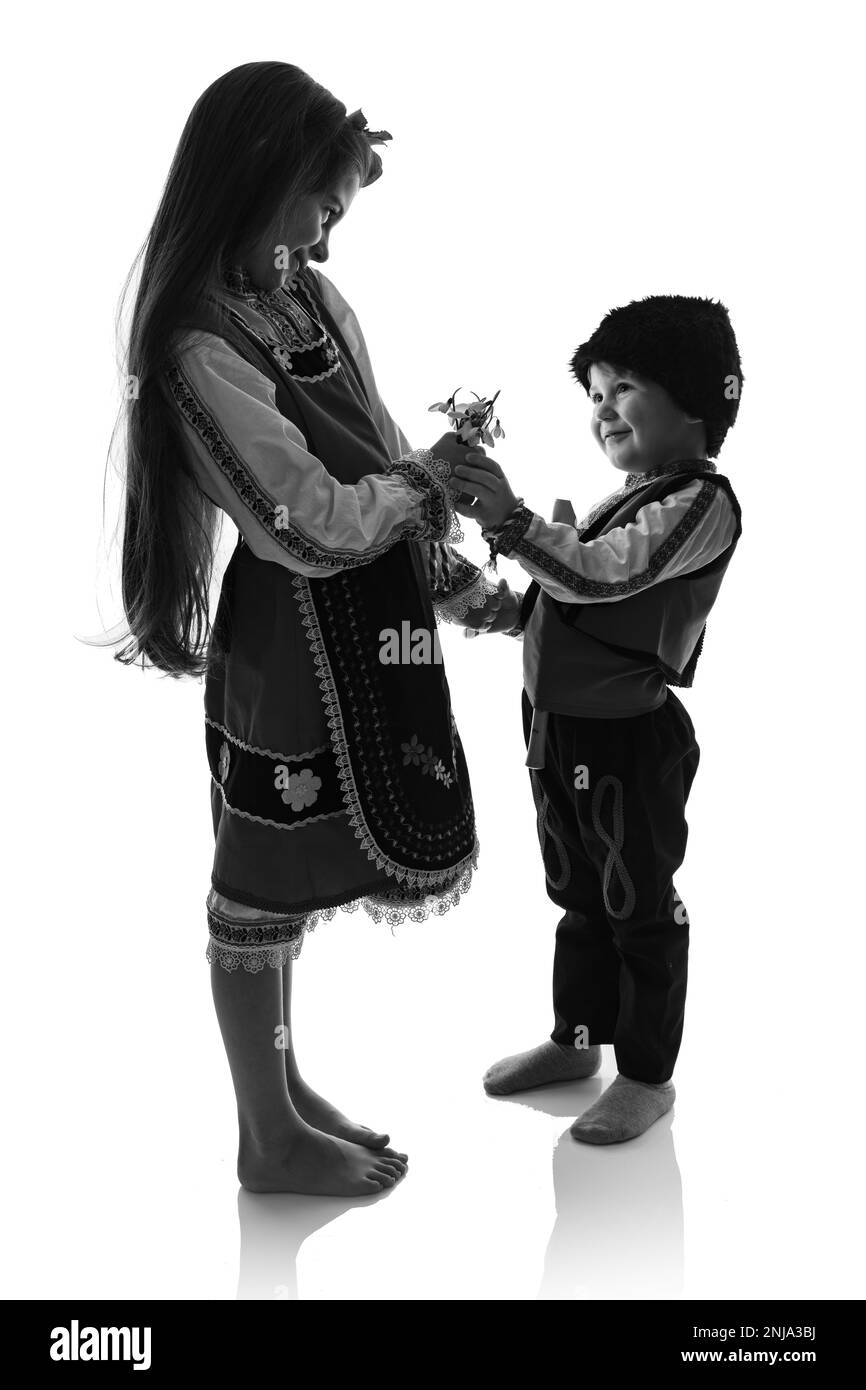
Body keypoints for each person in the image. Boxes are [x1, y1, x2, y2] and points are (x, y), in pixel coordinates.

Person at [107, 61, 521, 1194]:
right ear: (264, 179)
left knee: (284, 886)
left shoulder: (310, 301)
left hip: (364, 620)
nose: (329, 242)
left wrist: (457, 576)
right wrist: (424, 491)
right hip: (289, 641)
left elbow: (380, 463)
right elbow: (302, 519)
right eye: (323, 208)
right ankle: (263, 1133)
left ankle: (281, 1095)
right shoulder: (197, 346)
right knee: (257, 882)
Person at [451, 295, 743, 1143]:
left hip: (625, 737)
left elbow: (605, 578)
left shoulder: (700, 504)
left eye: (625, 388)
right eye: (595, 393)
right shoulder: (629, 498)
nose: (603, 408)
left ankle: (648, 1076)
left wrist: (511, 522)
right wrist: (474, 594)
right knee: (578, 894)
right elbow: (559, 600)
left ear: (694, 400)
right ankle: (578, 1040)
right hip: (554, 726)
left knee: (638, 904)